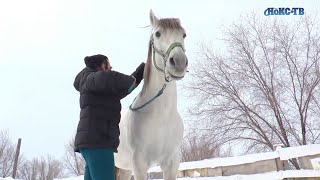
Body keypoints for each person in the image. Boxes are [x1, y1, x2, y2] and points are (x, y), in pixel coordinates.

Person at [73, 54, 145, 180]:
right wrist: (129, 80)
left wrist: (142, 71)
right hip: (98, 143)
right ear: (98, 67)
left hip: (91, 144)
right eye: (107, 64)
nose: (110, 67)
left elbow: (126, 88)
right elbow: (109, 77)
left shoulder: (99, 87)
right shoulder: (90, 78)